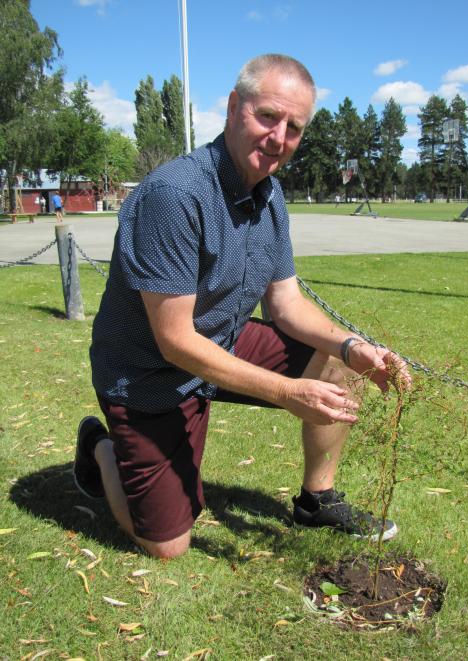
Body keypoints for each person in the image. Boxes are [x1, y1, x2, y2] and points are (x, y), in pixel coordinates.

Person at [74, 54, 411, 559]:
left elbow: (286, 303)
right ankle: (101, 449)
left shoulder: (270, 195)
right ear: (234, 108)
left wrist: (352, 344)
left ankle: (316, 501)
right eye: (268, 116)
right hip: (147, 375)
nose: (279, 137)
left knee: (338, 362)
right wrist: (285, 390)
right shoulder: (175, 193)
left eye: (294, 127)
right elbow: (174, 341)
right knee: (167, 546)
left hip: (219, 343)